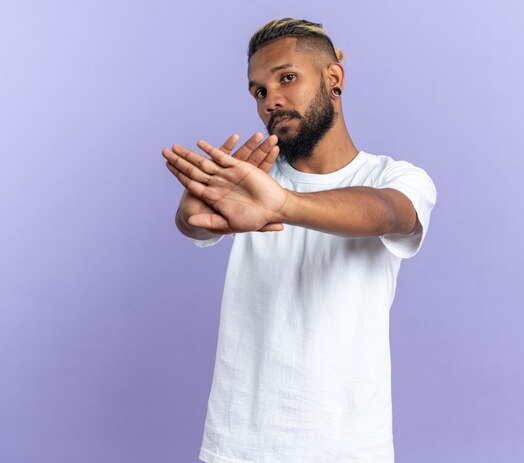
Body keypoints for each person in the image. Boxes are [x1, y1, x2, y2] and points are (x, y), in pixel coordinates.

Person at [162, 17, 437, 463]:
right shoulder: (251, 182)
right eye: (258, 92)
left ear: (334, 79)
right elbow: (195, 224)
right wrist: (191, 216)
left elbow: (390, 213)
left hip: (348, 448)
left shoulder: (394, 177)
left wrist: (282, 205)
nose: (272, 100)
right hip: (237, 446)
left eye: (286, 78)